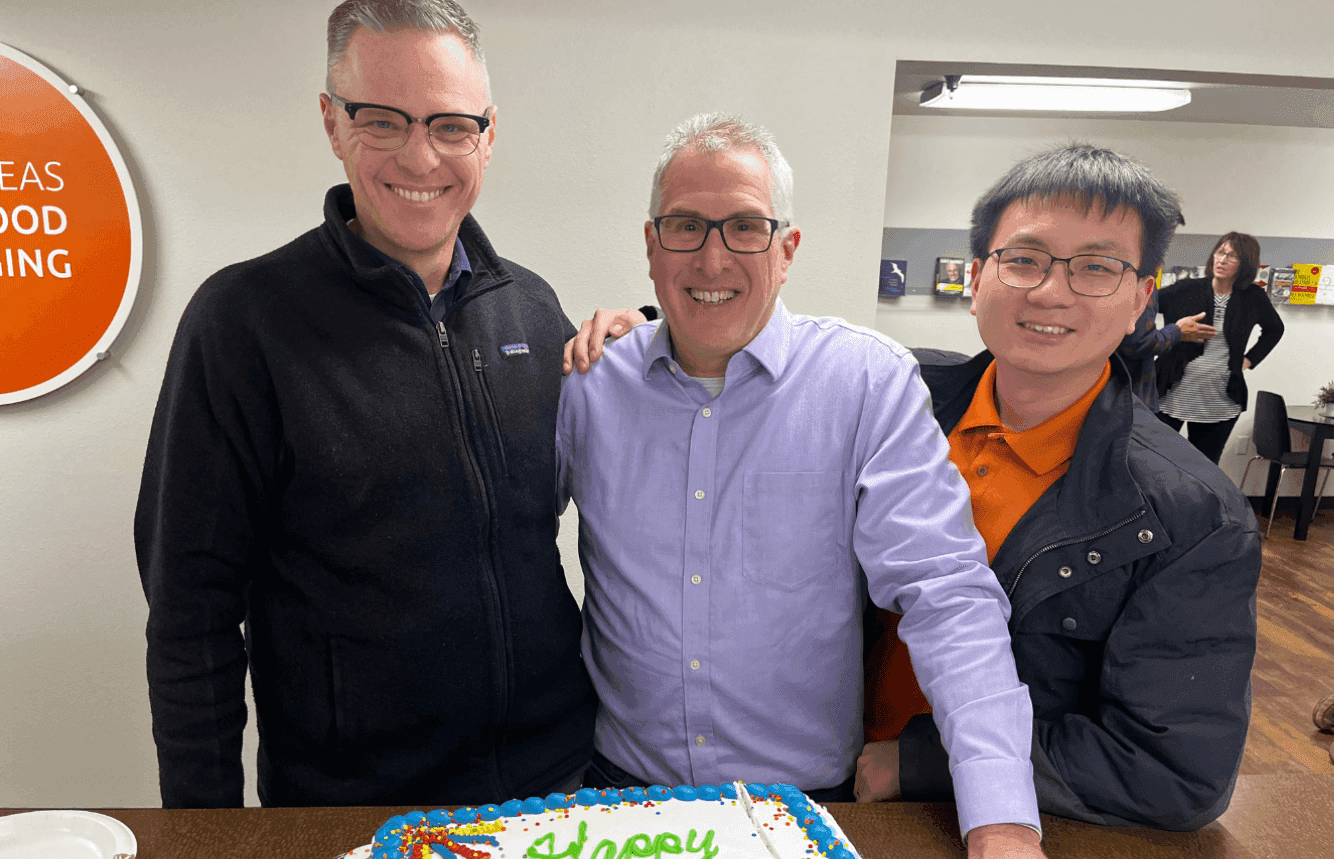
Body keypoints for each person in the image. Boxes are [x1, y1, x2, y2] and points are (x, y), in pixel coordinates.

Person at [135, 0, 637, 808]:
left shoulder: (531, 309)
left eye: (450, 125)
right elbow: (189, 616)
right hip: (354, 806)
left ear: (488, 135)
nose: (420, 155)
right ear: (332, 123)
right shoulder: (243, 323)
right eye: (382, 120)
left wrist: (654, 348)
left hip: (559, 783)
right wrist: (207, 835)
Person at [557, 113, 1046, 859]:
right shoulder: (590, 385)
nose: (713, 257)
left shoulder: (865, 383)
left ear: (786, 250)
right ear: (652, 246)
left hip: (807, 811)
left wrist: (1001, 820)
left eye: (745, 227)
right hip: (616, 796)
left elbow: (947, 594)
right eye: (686, 226)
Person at [859, 144, 1262, 832]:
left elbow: (1172, 769)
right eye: (1024, 259)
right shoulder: (891, 404)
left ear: (1140, 299)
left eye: (1097, 267)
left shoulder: (1191, 515)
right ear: (978, 277)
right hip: (805, 781)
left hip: (977, 817)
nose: (1051, 292)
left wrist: (919, 762)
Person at [1155, 232, 1285, 463]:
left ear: (1245, 263)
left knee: (1203, 467)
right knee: (1153, 460)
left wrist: (1249, 360)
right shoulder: (1186, 289)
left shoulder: (1253, 297)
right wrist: (1169, 333)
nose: (1222, 260)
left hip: (1219, 399)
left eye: (1232, 256)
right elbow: (1141, 306)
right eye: (1220, 252)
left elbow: (1275, 329)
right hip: (1170, 393)